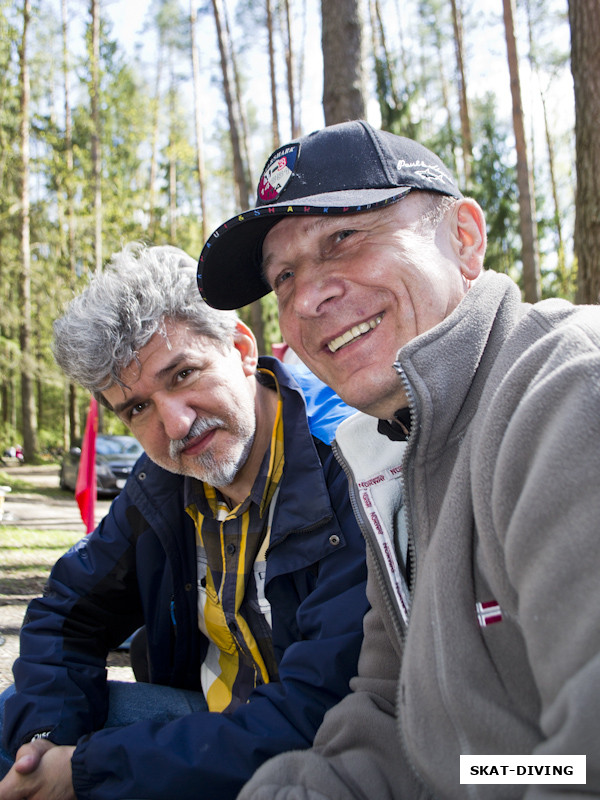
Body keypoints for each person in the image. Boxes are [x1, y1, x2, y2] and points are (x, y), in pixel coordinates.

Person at [198, 119, 600, 798]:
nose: (310, 297)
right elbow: (393, 718)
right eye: (285, 277)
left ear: (464, 240)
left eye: (344, 239)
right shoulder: (391, 451)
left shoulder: (567, 390)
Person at [0, 243, 369, 800]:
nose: (175, 424)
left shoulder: (353, 465)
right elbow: (63, 613)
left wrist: (85, 773)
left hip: (325, 752)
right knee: (17, 723)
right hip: (210, 724)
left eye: (182, 374)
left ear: (242, 349)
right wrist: (46, 746)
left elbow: (322, 711)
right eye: (139, 409)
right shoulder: (163, 482)